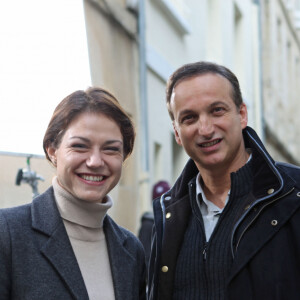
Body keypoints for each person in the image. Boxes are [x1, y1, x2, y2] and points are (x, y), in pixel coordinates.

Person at [147, 61, 300, 300]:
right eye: (189, 118)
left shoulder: (293, 194)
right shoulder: (168, 216)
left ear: (241, 114)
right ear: (177, 132)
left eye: (217, 110)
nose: (206, 129)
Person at [0, 87, 146, 300]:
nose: (95, 161)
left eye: (111, 149)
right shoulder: (8, 234)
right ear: (52, 150)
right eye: (80, 146)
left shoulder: (132, 250)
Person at [138, 180, 170, 269]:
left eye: (166, 200)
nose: (162, 205)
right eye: (158, 201)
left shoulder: (172, 221)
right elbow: (145, 256)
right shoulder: (148, 224)